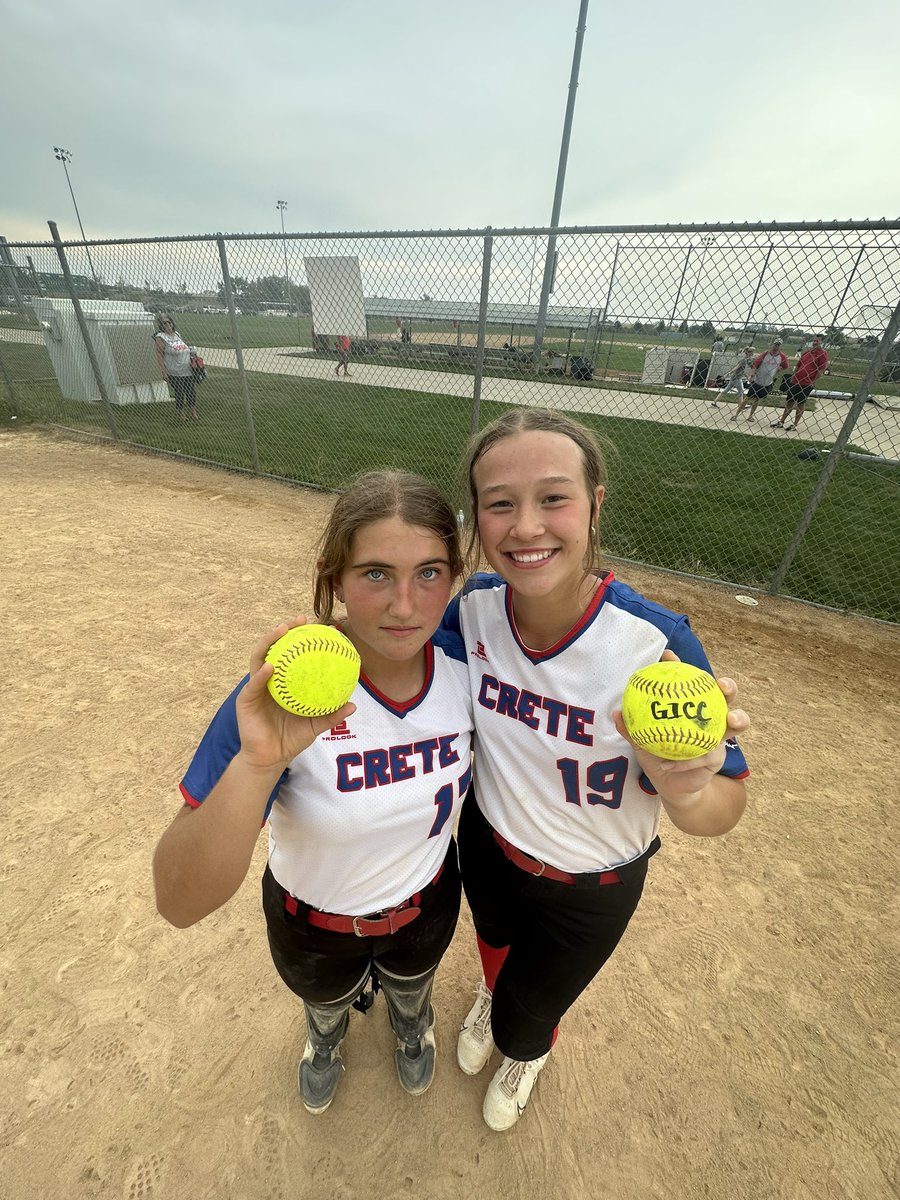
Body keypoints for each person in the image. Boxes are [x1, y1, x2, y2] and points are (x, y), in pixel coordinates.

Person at [442, 407, 750, 1132]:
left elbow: (724, 804)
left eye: (554, 497)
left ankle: (526, 1049)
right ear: (477, 518)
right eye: (500, 504)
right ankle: (494, 997)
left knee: (529, 1018)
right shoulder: (475, 609)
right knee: (493, 951)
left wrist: (687, 787)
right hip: (488, 843)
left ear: (594, 502)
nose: (526, 527)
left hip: (592, 887)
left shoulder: (654, 643)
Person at [152, 471, 473, 1115]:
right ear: (334, 580)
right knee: (325, 1000)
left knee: (413, 985)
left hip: (428, 903)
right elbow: (179, 902)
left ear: (455, 577)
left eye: (430, 572)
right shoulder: (285, 695)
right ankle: (325, 1034)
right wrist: (257, 763)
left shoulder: (471, 672)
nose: (405, 604)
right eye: (376, 573)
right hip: (313, 922)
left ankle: (411, 1019)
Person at [771, 334, 829, 431]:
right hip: (796, 381)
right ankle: (781, 421)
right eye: (814, 340)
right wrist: (794, 376)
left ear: (822, 342)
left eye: (817, 341)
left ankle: (795, 424)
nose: (815, 343)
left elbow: (821, 370)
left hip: (807, 383)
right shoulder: (807, 353)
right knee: (790, 401)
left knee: (801, 403)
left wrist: (813, 381)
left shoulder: (823, 354)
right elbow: (798, 365)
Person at [733, 337, 789, 421]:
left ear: (780, 346)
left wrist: (777, 370)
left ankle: (750, 416)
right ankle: (736, 414)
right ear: (772, 344)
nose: (776, 346)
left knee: (757, 399)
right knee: (747, 398)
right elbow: (755, 364)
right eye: (775, 344)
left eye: (778, 345)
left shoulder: (782, 356)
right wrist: (752, 375)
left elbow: (786, 366)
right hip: (757, 380)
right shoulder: (765, 354)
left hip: (767, 382)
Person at [154, 314, 198, 420]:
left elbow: (183, 347)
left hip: (187, 369)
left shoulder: (177, 334)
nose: (168, 325)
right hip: (174, 371)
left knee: (191, 391)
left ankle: (193, 411)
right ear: (161, 325)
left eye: (169, 322)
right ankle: (181, 414)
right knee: (180, 392)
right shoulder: (160, 337)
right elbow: (159, 355)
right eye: (165, 323)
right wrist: (163, 371)